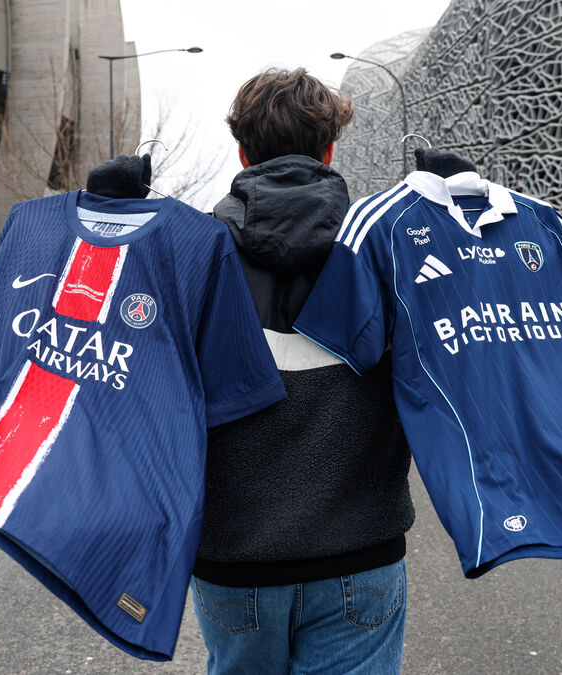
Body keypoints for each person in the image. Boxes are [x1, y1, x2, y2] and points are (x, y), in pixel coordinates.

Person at [192, 68, 415, 674]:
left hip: (232, 558)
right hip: (360, 552)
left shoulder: (191, 253)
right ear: (330, 149)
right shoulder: (387, 248)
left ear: (242, 153)